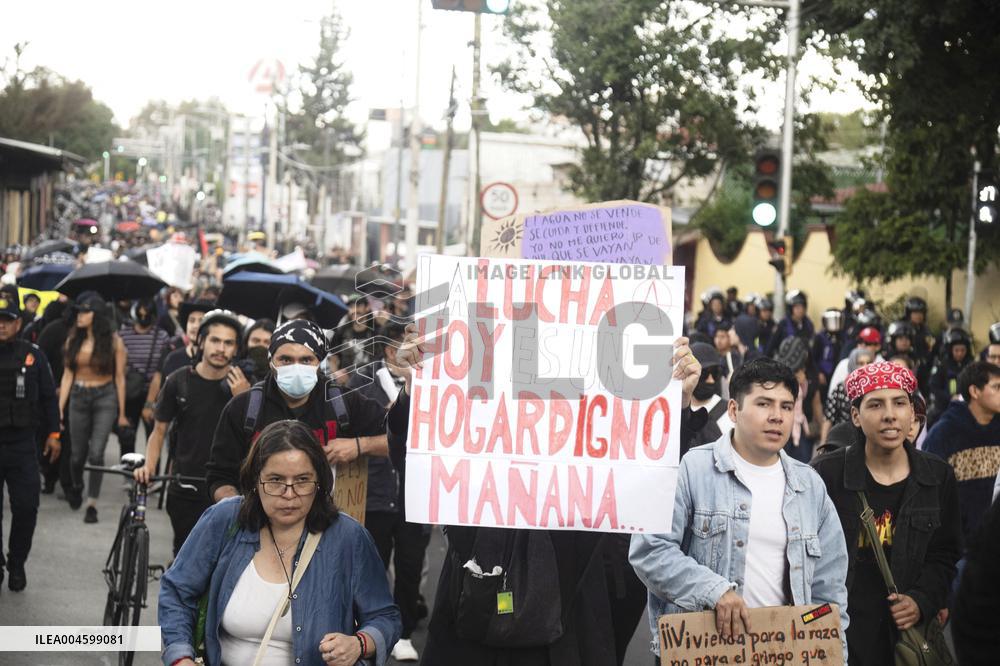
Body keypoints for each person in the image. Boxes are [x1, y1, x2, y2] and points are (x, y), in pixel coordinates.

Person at [629, 358, 849, 661]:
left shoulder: (809, 486)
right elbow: (649, 549)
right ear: (734, 410)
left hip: (784, 652)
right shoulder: (693, 468)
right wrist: (714, 590)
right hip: (707, 652)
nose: (777, 417)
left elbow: (830, 591)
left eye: (786, 406)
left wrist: (831, 653)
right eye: (763, 404)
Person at [158, 420, 401, 666]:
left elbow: (385, 617)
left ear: (320, 482)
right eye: (275, 480)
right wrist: (181, 657)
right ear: (255, 480)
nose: (289, 494)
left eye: (302, 480)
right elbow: (177, 591)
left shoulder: (349, 538)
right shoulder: (224, 520)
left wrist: (358, 643)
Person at [812, 361, 960, 665]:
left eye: (899, 403)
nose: (890, 414)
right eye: (875, 404)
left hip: (905, 638)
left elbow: (945, 555)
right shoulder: (826, 475)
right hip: (841, 635)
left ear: (912, 413)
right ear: (855, 415)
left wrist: (921, 599)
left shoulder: (937, 476)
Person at [205, 319, 388, 503]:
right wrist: (236, 507)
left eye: (306, 360)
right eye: (285, 359)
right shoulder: (243, 408)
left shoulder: (343, 402)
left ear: (319, 362)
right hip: (258, 523)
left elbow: (397, 439)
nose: (296, 368)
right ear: (271, 361)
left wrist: (359, 446)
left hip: (325, 522)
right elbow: (219, 476)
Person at [133, 310, 250, 555]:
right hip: (185, 486)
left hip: (229, 490)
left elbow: (258, 435)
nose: (221, 348)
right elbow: (159, 430)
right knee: (185, 555)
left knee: (221, 560)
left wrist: (244, 398)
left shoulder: (245, 385)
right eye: (215, 340)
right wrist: (149, 466)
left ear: (236, 348)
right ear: (201, 342)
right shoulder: (179, 381)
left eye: (228, 343)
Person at [346, 322, 427, 661]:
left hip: (416, 494)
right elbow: (353, 434)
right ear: (390, 350)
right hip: (375, 492)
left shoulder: (435, 384)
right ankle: (370, 631)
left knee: (411, 567)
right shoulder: (361, 383)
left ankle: (405, 631)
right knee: (373, 567)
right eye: (406, 347)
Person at [0, 294, 60, 591]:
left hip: (23, 445)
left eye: (7, 321)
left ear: (18, 323)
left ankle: (17, 562)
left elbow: (49, 397)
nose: (1, 326)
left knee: (26, 508)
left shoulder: (33, 355)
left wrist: (54, 434)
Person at [61, 293, 129, 522]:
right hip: (79, 397)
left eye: (85, 311)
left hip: (105, 397)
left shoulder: (114, 342)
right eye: (78, 311)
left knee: (97, 452)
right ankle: (77, 484)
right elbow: (67, 375)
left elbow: (119, 377)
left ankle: (92, 503)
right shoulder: (73, 340)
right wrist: (59, 408)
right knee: (77, 455)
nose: (79, 316)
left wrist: (122, 413)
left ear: (97, 315)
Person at [923, 361, 1000, 549]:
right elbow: (928, 492)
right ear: (975, 391)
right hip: (958, 549)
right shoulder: (944, 433)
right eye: (997, 387)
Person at [118, 297, 171, 457]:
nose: (142, 318)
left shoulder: (162, 336)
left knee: (153, 435)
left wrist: (150, 403)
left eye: (146, 315)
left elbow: (160, 371)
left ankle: (151, 474)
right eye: (140, 314)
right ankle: (128, 471)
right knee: (127, 434)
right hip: (130, 391)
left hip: (154, 393)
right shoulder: (123, 334)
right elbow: (119, 369)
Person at [775, 336, 822, 463]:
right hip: (782, 427)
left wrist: (823, 437)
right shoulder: (776, 375)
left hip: (802, 432)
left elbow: (815, 402)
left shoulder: (809, 373)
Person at [820, 347, 875, 446]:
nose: (865, 367)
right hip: (842, 442)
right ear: (853, 365)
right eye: (861, 363)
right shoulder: (841, 388)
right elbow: (829, 417)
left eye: (869, 363)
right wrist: (823, 443)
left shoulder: (876, 390)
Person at [685, 342, 733, 453]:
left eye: (715, 373)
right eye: (704, 373)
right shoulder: (678, 414)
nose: (710, 380)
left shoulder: (731, 413)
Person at [158, 300, 215, 380]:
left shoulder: (217, 361)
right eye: (192, 320)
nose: (195, 326)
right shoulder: (173, 359)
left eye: (201, 320)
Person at [927, 327, 973, 425]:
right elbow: (933, 386)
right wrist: (950, 398)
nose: (960, 353)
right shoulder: (942, 365)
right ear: (950, 349)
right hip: (943, 409)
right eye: (956, 350)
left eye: (962, 350)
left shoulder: (971, 366)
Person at [828, 326, 883, 400]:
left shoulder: (884, 366)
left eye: (867, 343)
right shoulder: (844, 364)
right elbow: (832, 393)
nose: (863, 346)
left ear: (878, 346)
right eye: (860, 342)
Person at [764, 290, 815, 357]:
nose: (800, 310)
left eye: (802, 307)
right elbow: (770, 347)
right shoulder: (783, 325)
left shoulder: (808, 325)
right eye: (797, 307)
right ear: (790, 308)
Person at [813, 308, 844, 391]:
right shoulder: (820, 337)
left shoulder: (842, 337)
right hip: (823, 373)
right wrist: (818, 373)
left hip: (837, 372)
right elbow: (813, 358)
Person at [241, 318, 275, 383]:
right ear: (246, 342)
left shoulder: (279, 376)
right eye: (256, 341)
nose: (261, 345)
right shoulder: (235, 370)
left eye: (267, 342)